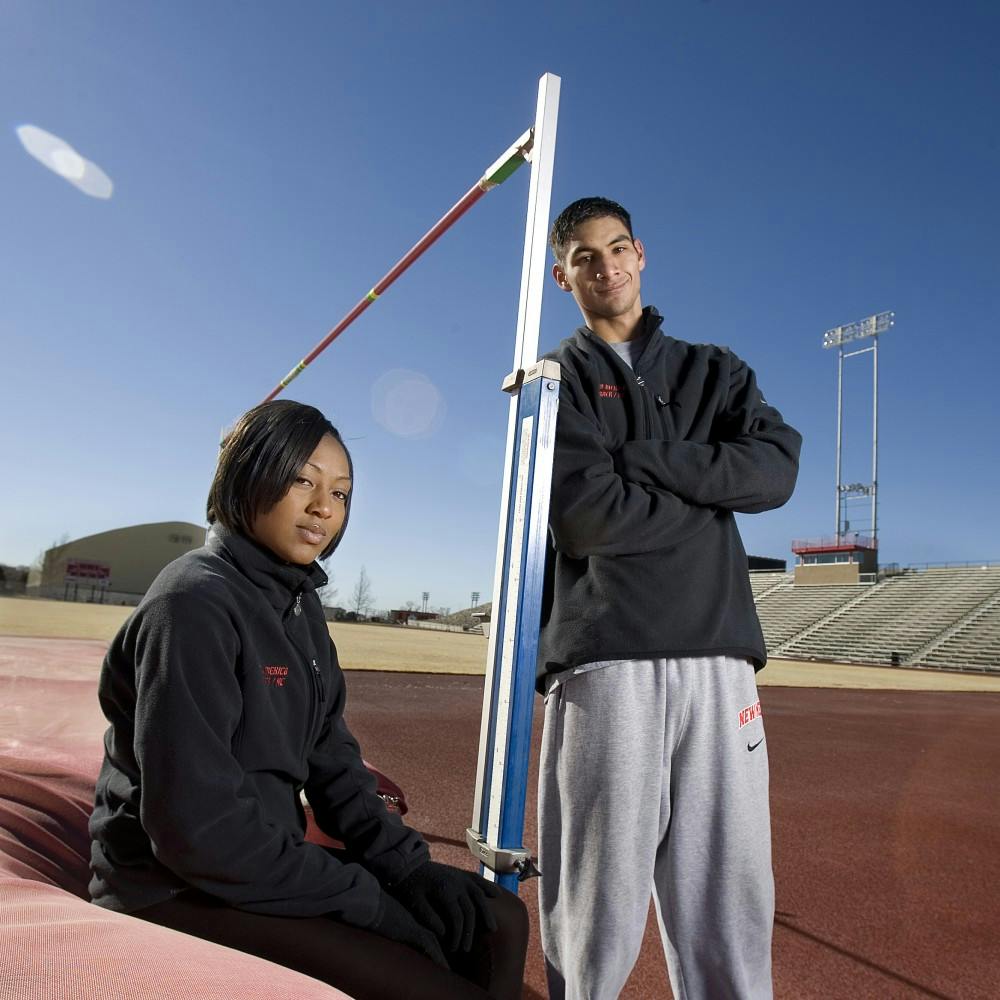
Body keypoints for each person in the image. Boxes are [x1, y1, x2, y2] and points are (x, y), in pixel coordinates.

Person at [89, 399, 528, 1000]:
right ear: (249, 474)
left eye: (342, 494)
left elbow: (333, 756)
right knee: (429, 978)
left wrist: (408, 869)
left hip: (260, 860)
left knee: (496, 920)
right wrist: (369, 903)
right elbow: (197, 831)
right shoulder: (192, 604)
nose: (325, 508)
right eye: (303, 481)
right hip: (174, 884)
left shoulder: (298, 603)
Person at [536, 197, 802, 1000]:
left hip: (720, 659)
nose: (606, 267)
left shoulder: (715, 370)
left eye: (617, 249)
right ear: (563, 276)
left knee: (730, 891)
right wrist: (708, 502)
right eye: (585, 257)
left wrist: (646, 457)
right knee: (599, 897)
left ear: (641, 254)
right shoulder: (560, 379)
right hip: (608, 656)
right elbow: (584, 516)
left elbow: (775, 472)